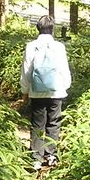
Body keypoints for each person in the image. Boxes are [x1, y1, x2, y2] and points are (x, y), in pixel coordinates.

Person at [20, 15, 72, 171]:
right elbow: (64, 69)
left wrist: (25, 90)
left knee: (37, 124)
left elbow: (26, 70)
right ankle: (51, 155)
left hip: (36, 93)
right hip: (56, 92)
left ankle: (36, 157)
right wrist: (65, 86)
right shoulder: (59, 47)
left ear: (38, 28)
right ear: (52, 29)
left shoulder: (31, 46)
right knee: (54, 123)